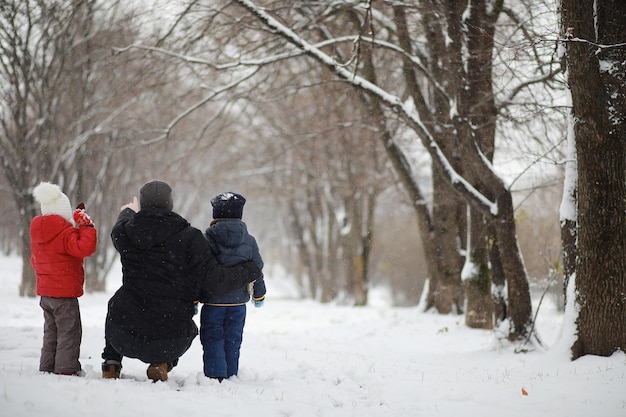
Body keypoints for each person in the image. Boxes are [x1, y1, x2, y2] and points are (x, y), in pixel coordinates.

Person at [101, 180, 260, 382]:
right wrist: (250, 268)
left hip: (125, 336)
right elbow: (217, 281)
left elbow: (117, 229)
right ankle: (162, 363)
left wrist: (127, 212)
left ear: (142, 203)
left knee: (116, 303)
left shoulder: (127, 234)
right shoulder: (189, 237)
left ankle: (112, 363)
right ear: (170, 203)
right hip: (170, 337)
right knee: (187, 323)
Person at [30, 181, 97, 376]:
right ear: (64, 213)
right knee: (69, 332)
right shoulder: (66, 233)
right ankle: (66, 368)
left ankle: (47, 365)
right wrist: (86, 225)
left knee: (51, 332)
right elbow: (86, 248)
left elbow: (34, 261)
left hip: (46, 294)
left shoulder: (37, 235)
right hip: (64, 295)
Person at [199, 192, 266, 381]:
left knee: (212, 337)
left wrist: (195, 297)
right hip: (238, 303)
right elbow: (257, 268)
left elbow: (200, 270)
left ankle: (215, 374)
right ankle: (231, 373)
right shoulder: (249, 240)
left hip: (213, 303)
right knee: (233, 338)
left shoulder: (207, 239)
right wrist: (259, 294)